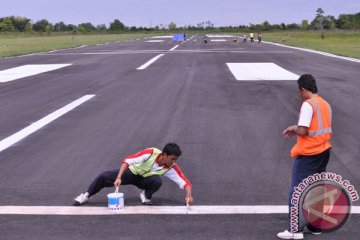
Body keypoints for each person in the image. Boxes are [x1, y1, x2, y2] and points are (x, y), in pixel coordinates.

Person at [277, 74, 332, 239]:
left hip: (309, 153)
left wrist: (294, 127)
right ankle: (315, 226)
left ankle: (295, 229)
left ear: (303, 89)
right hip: (324, 151)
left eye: (298, 91)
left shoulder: (308, 105)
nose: (299, 94)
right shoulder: (325, 104)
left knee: (298, 189)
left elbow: (304, 130)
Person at [73, 143, 193, 206]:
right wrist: (119, 177)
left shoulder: (171, 167)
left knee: (157, 181)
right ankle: (86, 196)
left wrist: (188, 195)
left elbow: (185, 182)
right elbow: (127, 160)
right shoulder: (150, 153)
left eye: (175, 160)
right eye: (172, 159)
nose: (173, 162)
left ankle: (145, 195)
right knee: (104, 176)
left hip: (144, 180)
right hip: (132, 173)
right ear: (164, 155)